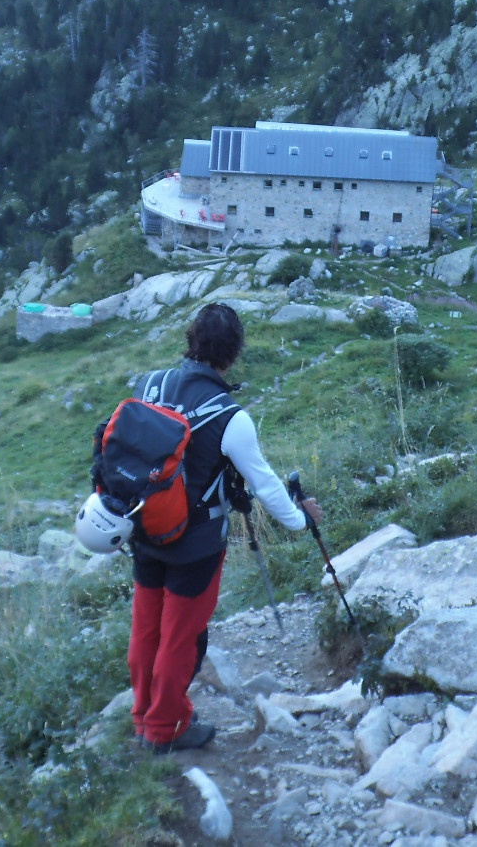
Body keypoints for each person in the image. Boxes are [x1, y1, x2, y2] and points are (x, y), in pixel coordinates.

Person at [126, 302, 322, 754]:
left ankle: (143, 716)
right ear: (232, 354)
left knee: (146, 627)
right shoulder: (229, 416)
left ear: (191, 341)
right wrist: (298, 520)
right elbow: (266, 486)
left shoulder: (148, 384)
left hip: (144, 529)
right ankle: (165, 728)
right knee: (179, 637)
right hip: (194, 545)